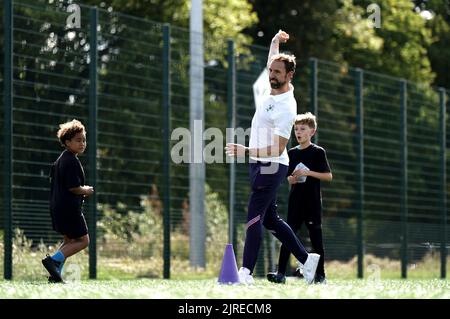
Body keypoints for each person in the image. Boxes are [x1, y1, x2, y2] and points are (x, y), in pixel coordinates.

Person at [225, 30, 320, 285]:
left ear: (289, 76)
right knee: (270, 219)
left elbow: (278, 149)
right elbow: (271, 60)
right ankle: (306, 259)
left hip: (271, 165)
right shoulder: (272, 90)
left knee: (254, 215)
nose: (272, 75)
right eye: (271, 71)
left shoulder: (287, 107)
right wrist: (275, 42)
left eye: (277, 72)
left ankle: (245, 273)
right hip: (258, 163)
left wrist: (246, 151)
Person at [267, 112, 332, 284]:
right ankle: (281, 273)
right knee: (288, 236)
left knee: (316, 239)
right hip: (295, 202)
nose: (298, 132)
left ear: (312, 131)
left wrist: (308, 172)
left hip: (312, 203)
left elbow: (328, 176)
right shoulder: (292, 153)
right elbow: (288, 177)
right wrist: (292, 178)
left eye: (303, 129)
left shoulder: (318, 152)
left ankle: (320, 276)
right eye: (296, 129)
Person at [42, 119, 94, 283]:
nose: (82, 143)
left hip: (57, 207)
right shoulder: (71, 160)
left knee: (69, 241)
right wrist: (85, 190)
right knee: (84, 241)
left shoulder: (60, 160)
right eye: (78, 140)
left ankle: (55, 274)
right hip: (69, 209)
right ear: (67, 142)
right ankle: (53, 261)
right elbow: (73, 187)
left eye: (84, 140)